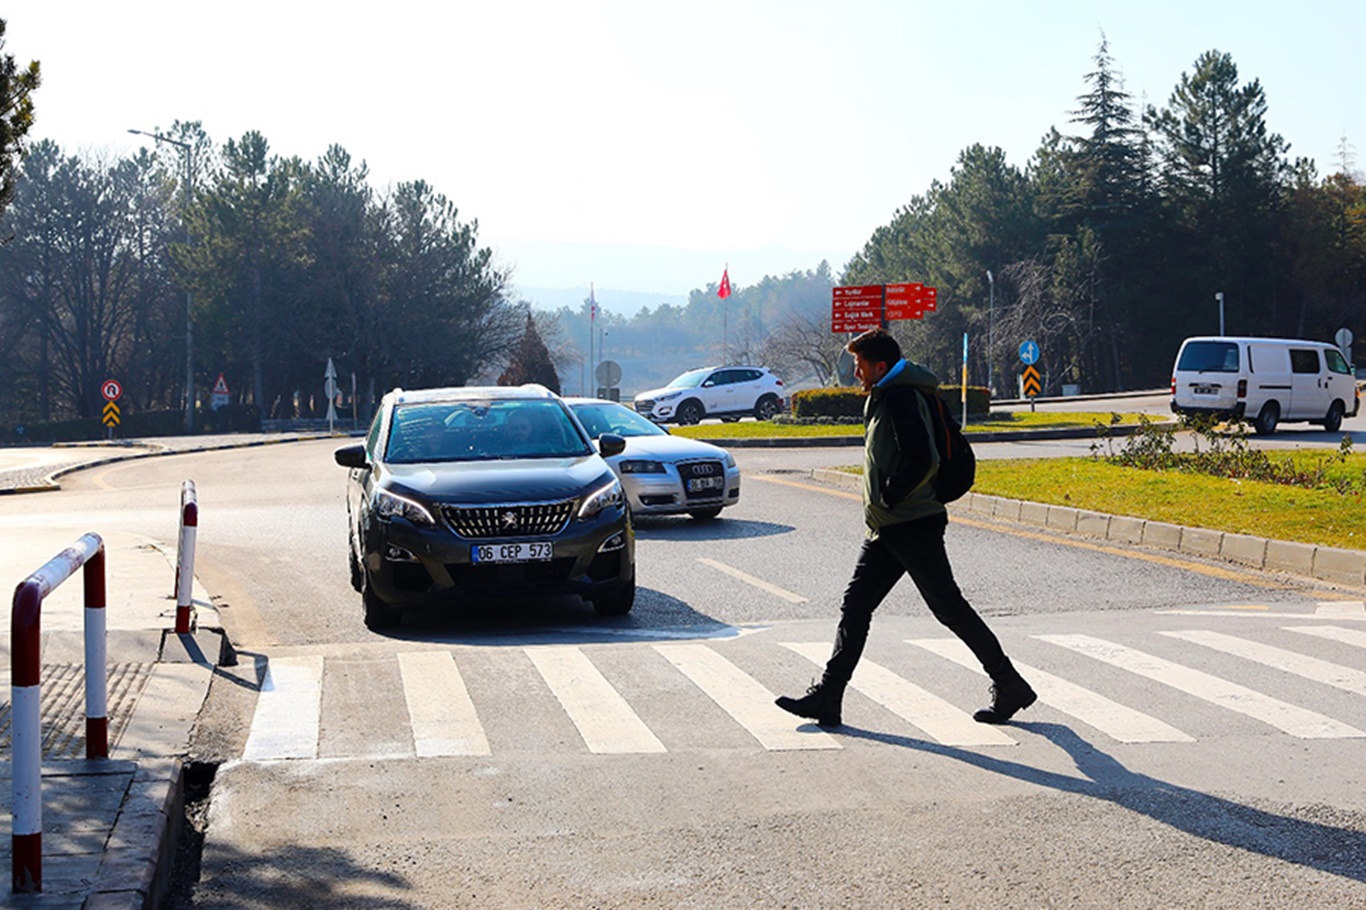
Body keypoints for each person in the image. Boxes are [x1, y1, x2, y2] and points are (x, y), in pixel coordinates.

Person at [775, 328, 1036, 727]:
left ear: (880, 366)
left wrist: (889, 496)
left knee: (949, 608)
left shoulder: (900, 396)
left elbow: (922, 457)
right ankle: (829, 696)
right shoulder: (889, 393)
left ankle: (1009, 683)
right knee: (856, 605)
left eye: (860, 366)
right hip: (890, 526)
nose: (856, 374)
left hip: (911, 522)